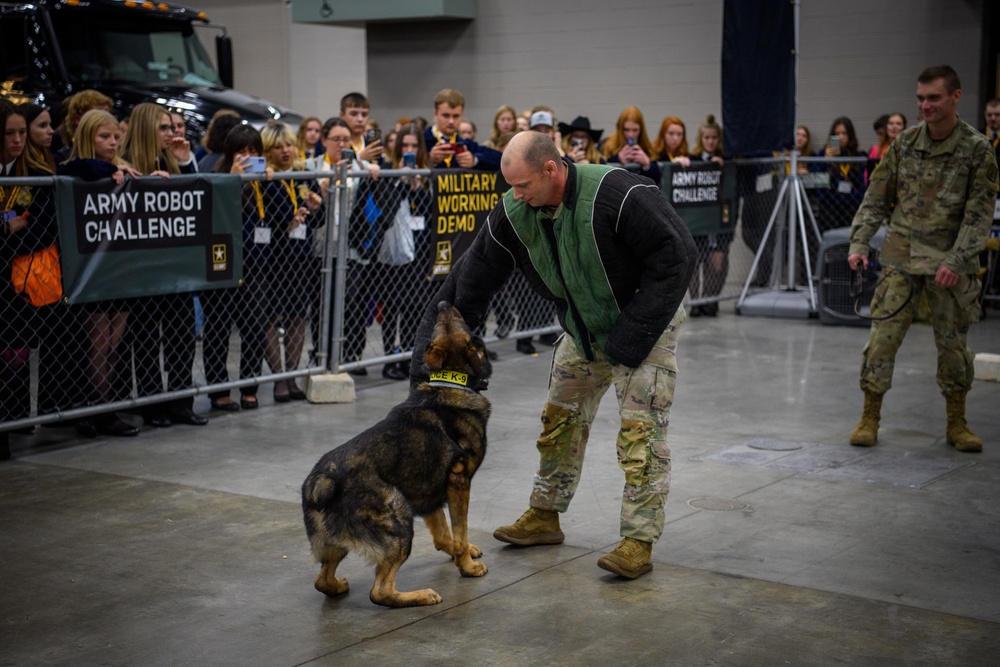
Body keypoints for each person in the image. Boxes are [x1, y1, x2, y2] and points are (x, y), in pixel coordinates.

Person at [411, 131, 697, 579]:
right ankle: (544, 516)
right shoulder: (516, 211)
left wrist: (629, 339)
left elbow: (678, 255)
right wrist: (426, 367)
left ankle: (638, 541)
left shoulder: (619, 193)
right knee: (558, 420)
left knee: (641, 435)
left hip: (644, 327)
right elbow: (466, 285)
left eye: (522, 185)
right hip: (582, 331)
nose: (515, 195)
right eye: (510, 186)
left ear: (551, 169)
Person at [847, 65, 999, 454]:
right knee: (880, 343)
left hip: (950, 267)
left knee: (953, 349)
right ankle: (869, 416)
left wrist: (957, 259)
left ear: (955, 97)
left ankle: (957, 422)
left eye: (933, 98)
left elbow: (978, 215)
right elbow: (877, 197)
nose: (925, 105)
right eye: (920, 98)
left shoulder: (977, 150)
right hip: (900, 259)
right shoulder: (904, 144)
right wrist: (859, 243)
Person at [119, 102, 207, 428]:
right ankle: (152, 404)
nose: (173, 134)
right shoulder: (125, 165)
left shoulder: (176, 159)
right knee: (145, 340)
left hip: (178, 268)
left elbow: (200, 201)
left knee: (182, 336)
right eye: (165, 128)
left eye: (174, 127)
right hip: (142, 270)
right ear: (146, 129)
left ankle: (181, 402)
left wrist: (186, 163)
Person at [57, 109, 143, 436]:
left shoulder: (123, 167)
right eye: (103, 137)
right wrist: (109, 168)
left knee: (113, 344)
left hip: (119, 268)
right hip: (90, 271)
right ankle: (98, 408)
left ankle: (105, 406)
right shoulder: (75, 167)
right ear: (87, 137)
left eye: (115, 136)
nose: (111, 142)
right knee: (97, 341)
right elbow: (77, 167)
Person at [201, 125, 273, 412]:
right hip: (222, 263)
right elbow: (212, 215)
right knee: (218, 326)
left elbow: (279, 218)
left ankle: (250, 387)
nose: (249, 157)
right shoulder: (216, 177)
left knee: (255, 326)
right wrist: (231, 182)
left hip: (255, 265)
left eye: (254, 152)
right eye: (242, 152)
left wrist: (268, 182)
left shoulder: (262, 182)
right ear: (230, 154)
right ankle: (218, 389)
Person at [260, 121, 324, 400]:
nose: (285, 151)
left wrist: (315, 207)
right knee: (271, 317)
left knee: (298, 316)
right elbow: (265, 218)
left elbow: (316, 221)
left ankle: (292, 375)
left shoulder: (303, 174)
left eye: (288, 145)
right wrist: (291, 217)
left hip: (300, 257)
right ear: (267, 151)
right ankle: (278, 379)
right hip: (271, 258)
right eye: (277, 146)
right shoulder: (265, 177)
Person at [687, 114, 729, 317]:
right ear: (700, 139)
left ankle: (710, 300)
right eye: (707, 138)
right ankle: (695, 302)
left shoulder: (725, 161)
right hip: (697, 223)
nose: (710, 142)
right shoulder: (692, 159)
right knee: (694, 262)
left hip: (718, 224)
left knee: (717, 261)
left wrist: (724, 166)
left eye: (714, 138)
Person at [423, 89, 501, 171]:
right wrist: (429, 160)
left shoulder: (466, 144)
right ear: (435, 113)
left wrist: (475, 160)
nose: (451, 121)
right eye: (446, 116)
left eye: (456, 116)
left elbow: (501, 159)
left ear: (462, 115)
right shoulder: (421, 141)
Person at [817, 116, 865, 232]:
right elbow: (817, 179)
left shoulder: (857, 156)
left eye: (844, 133)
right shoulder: (823, 154)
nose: (841, 137)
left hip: (851, 206)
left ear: (850, 135)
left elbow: (861, 183)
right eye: (837, 134)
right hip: (829, 208)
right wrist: (825, 161)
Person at [603, 107, 661, 183]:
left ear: (641, 130)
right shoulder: (607, 144)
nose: (631, 134)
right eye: (626, 130)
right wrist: (617, 159)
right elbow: (601, 171)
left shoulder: (647, 147)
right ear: (620, 128)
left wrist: (647, 164)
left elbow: (658, 180)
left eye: (635, 130)